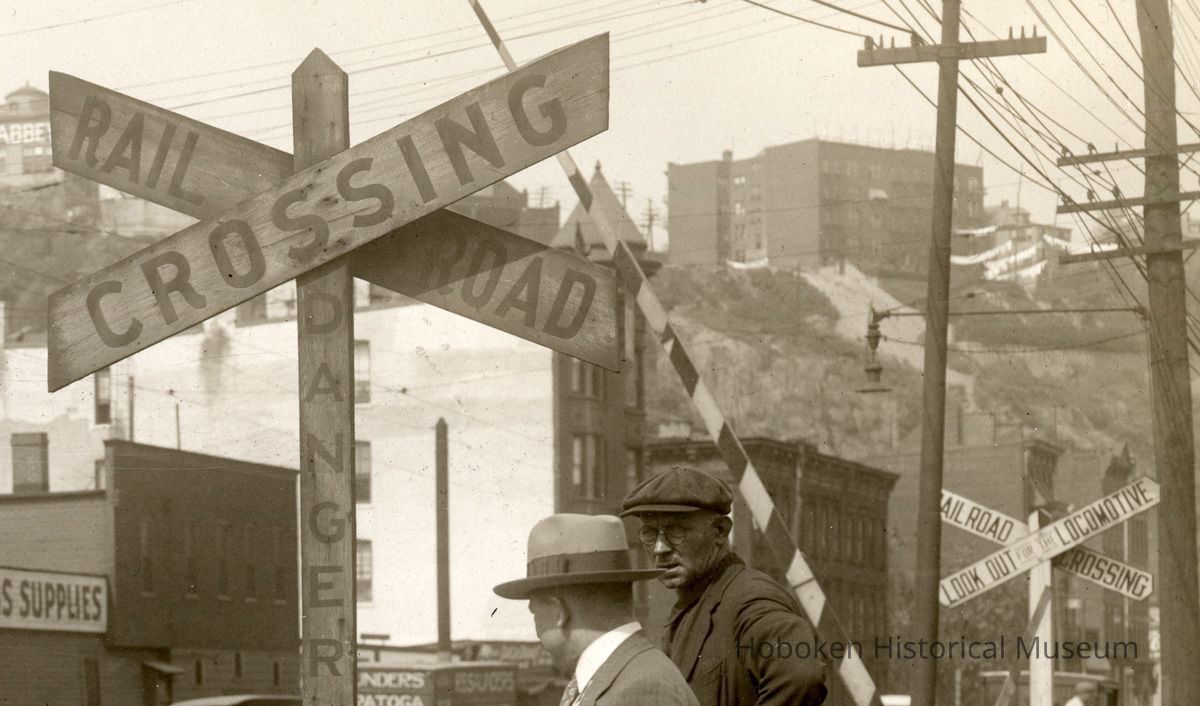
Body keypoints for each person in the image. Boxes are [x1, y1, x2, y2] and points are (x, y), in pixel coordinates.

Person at [621, 466, 828, 706]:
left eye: (676, 531)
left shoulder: (750, 600)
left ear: (720, 532)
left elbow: (802, 676)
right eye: (650, 533)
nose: (660, 548)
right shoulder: (693, 607)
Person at [494, 513, 699, 706]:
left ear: (559, 611)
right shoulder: (624, 675)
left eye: (534, 611)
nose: (537, 631)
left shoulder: (638, 689)